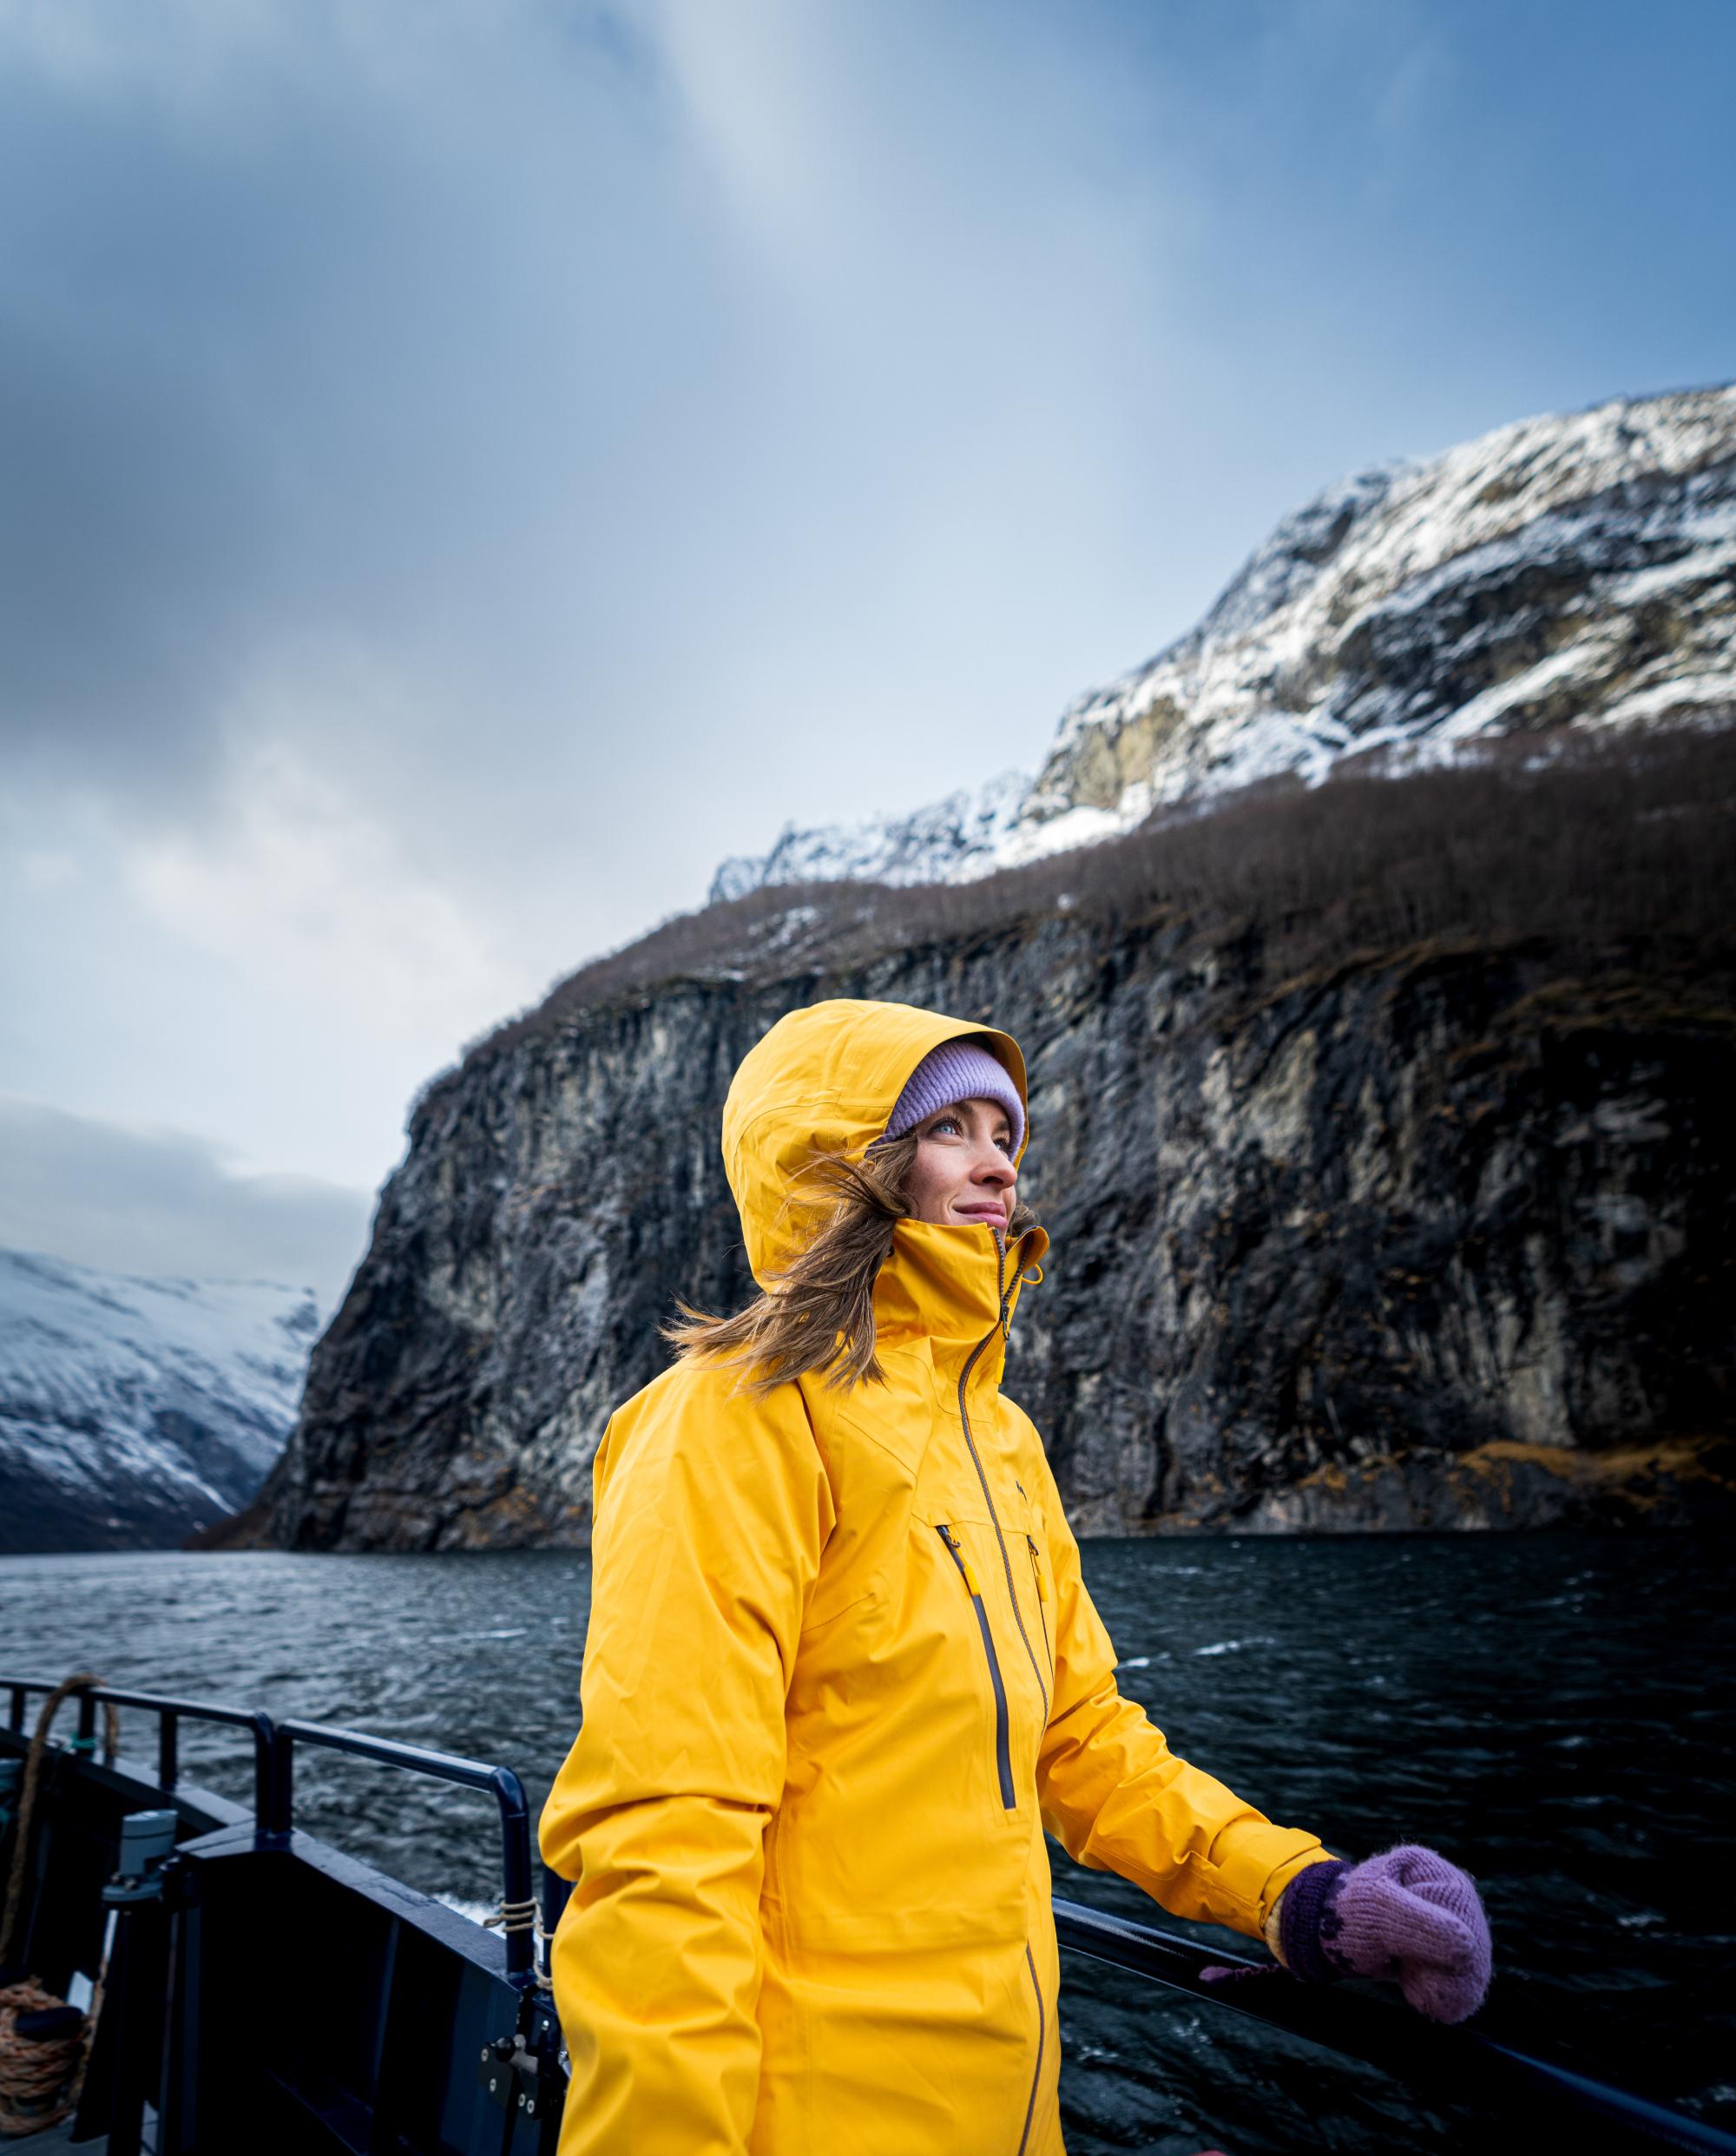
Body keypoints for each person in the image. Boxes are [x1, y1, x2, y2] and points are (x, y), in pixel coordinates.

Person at [539, 998, 1492, 2155]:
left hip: (1005, 2106)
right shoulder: (732, 1419)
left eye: (1007, 1133)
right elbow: (666, 1832)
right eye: (953, 1129)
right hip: (813, 2112)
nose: (997, 1162)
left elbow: (1081, 1738)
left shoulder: (995, 1439)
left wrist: (1294, 1893)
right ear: (840, 1160)